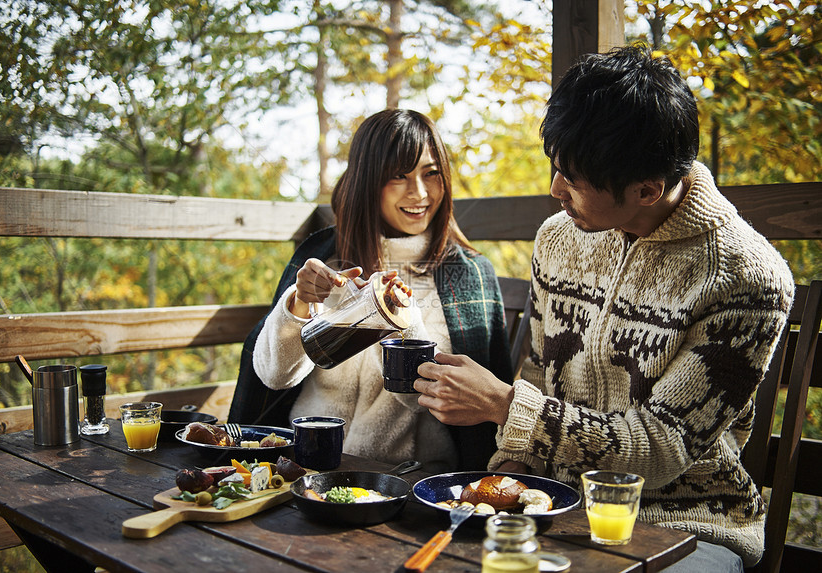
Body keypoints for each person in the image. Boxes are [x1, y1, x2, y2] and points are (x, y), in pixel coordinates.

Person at [413, 45, 794, 571]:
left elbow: (660, 449)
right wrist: (501, 483)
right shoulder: (558, 239)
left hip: (684, 524)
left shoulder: (747, 277)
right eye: (556, 168)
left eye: (573, 179)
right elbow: (539, 375)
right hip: (553, 506)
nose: (554, 191)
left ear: (647, 189)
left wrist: (505, 406)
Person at [228, 108, 513, 472]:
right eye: (399, 176)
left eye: (431, 173)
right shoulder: (322, 258)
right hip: (304, 464)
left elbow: (439, 400)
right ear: (367, 180)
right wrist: (299, 302)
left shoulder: (466, 275)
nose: (420, 193)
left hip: (404, 475)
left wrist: (398, 321)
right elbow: (274, 376)